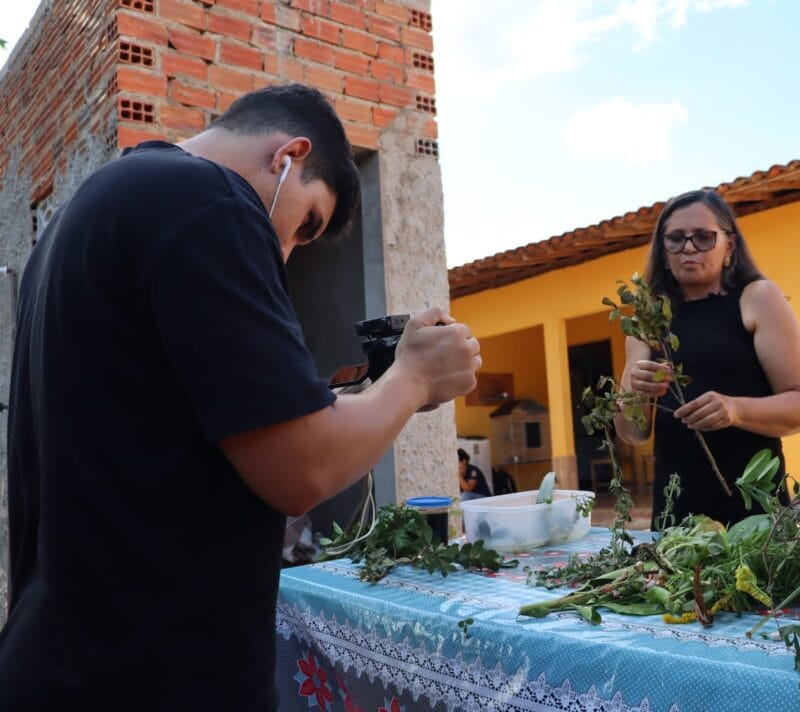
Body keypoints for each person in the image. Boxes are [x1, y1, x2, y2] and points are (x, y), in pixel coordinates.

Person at [0, 84, 481, 710]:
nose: (282, 252)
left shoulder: (87, 212)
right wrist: (412, 377)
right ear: (288, 155)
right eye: (303, 222)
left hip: (64, 661)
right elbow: (302, 465)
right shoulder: (207, 200)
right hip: (149, 677)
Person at [615, 188, 800, 529]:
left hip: (754, 509)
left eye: (704, 237)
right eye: (676, 239)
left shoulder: (757, 299)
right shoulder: (647, 319)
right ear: (663, 252)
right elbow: (632, 432)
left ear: (730, 245)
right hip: (677, 512)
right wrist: (635, 392)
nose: (689, 247)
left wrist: (735, 409)